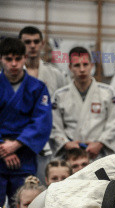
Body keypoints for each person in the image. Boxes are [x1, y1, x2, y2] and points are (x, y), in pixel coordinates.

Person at [0, 38, 52, 208]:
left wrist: (15, 145)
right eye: (8, 59)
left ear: (24, 58)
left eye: (18, 58)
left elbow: (42, 122)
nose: (13, 64)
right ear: (1, 59)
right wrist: (4, 148)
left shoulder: (37, 88)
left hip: (24, 155)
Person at [50, 47, 115, 160]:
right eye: (77, 65)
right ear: (70, 67)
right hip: (70, 155)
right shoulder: (60, 95)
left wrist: (100, 143)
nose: (82, 69)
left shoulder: (107, 92)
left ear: (92, 65)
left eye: (85, 64)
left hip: (99, 154)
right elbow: (54, 125)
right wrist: (65, 143)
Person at [19, 26, 69, 185]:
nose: (32, 45)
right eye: (27, 42)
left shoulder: (55, 74)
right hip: (20, 141)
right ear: (20, 45)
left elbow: (64, 107)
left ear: (41, 44)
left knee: (49, 186)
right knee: (22, 188)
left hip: (49, 140)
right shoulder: (10, 75)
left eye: (36, 41)